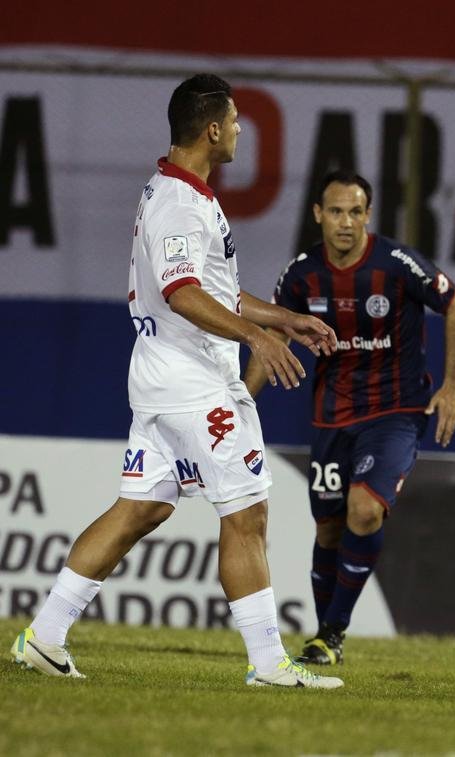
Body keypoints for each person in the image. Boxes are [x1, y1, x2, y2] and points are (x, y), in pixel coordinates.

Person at [9, 74, 343, 688]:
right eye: (236, 121)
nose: (242, 131)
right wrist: (256, 338)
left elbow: (210, 288)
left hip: (164, 373)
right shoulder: (180, 205)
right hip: (196, 383)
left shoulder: (179, 191)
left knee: (141, 507)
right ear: (212, 129)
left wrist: (284, 319)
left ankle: (45, 636)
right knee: (246, 512)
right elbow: (182, 292)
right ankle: (269, 664)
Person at [244, 170, 455, 666]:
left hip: (396, 411)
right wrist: (242, 399)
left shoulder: (397, 264)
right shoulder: (301, 275)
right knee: (327, 529)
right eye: (337, 212)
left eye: (356, 212)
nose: (346, 222)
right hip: (331, 416)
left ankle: (332, 632)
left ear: (368, 215)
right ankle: (326, 637)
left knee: (363, 511)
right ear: (318, 215)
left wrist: (452, 386)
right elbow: (275, 335)